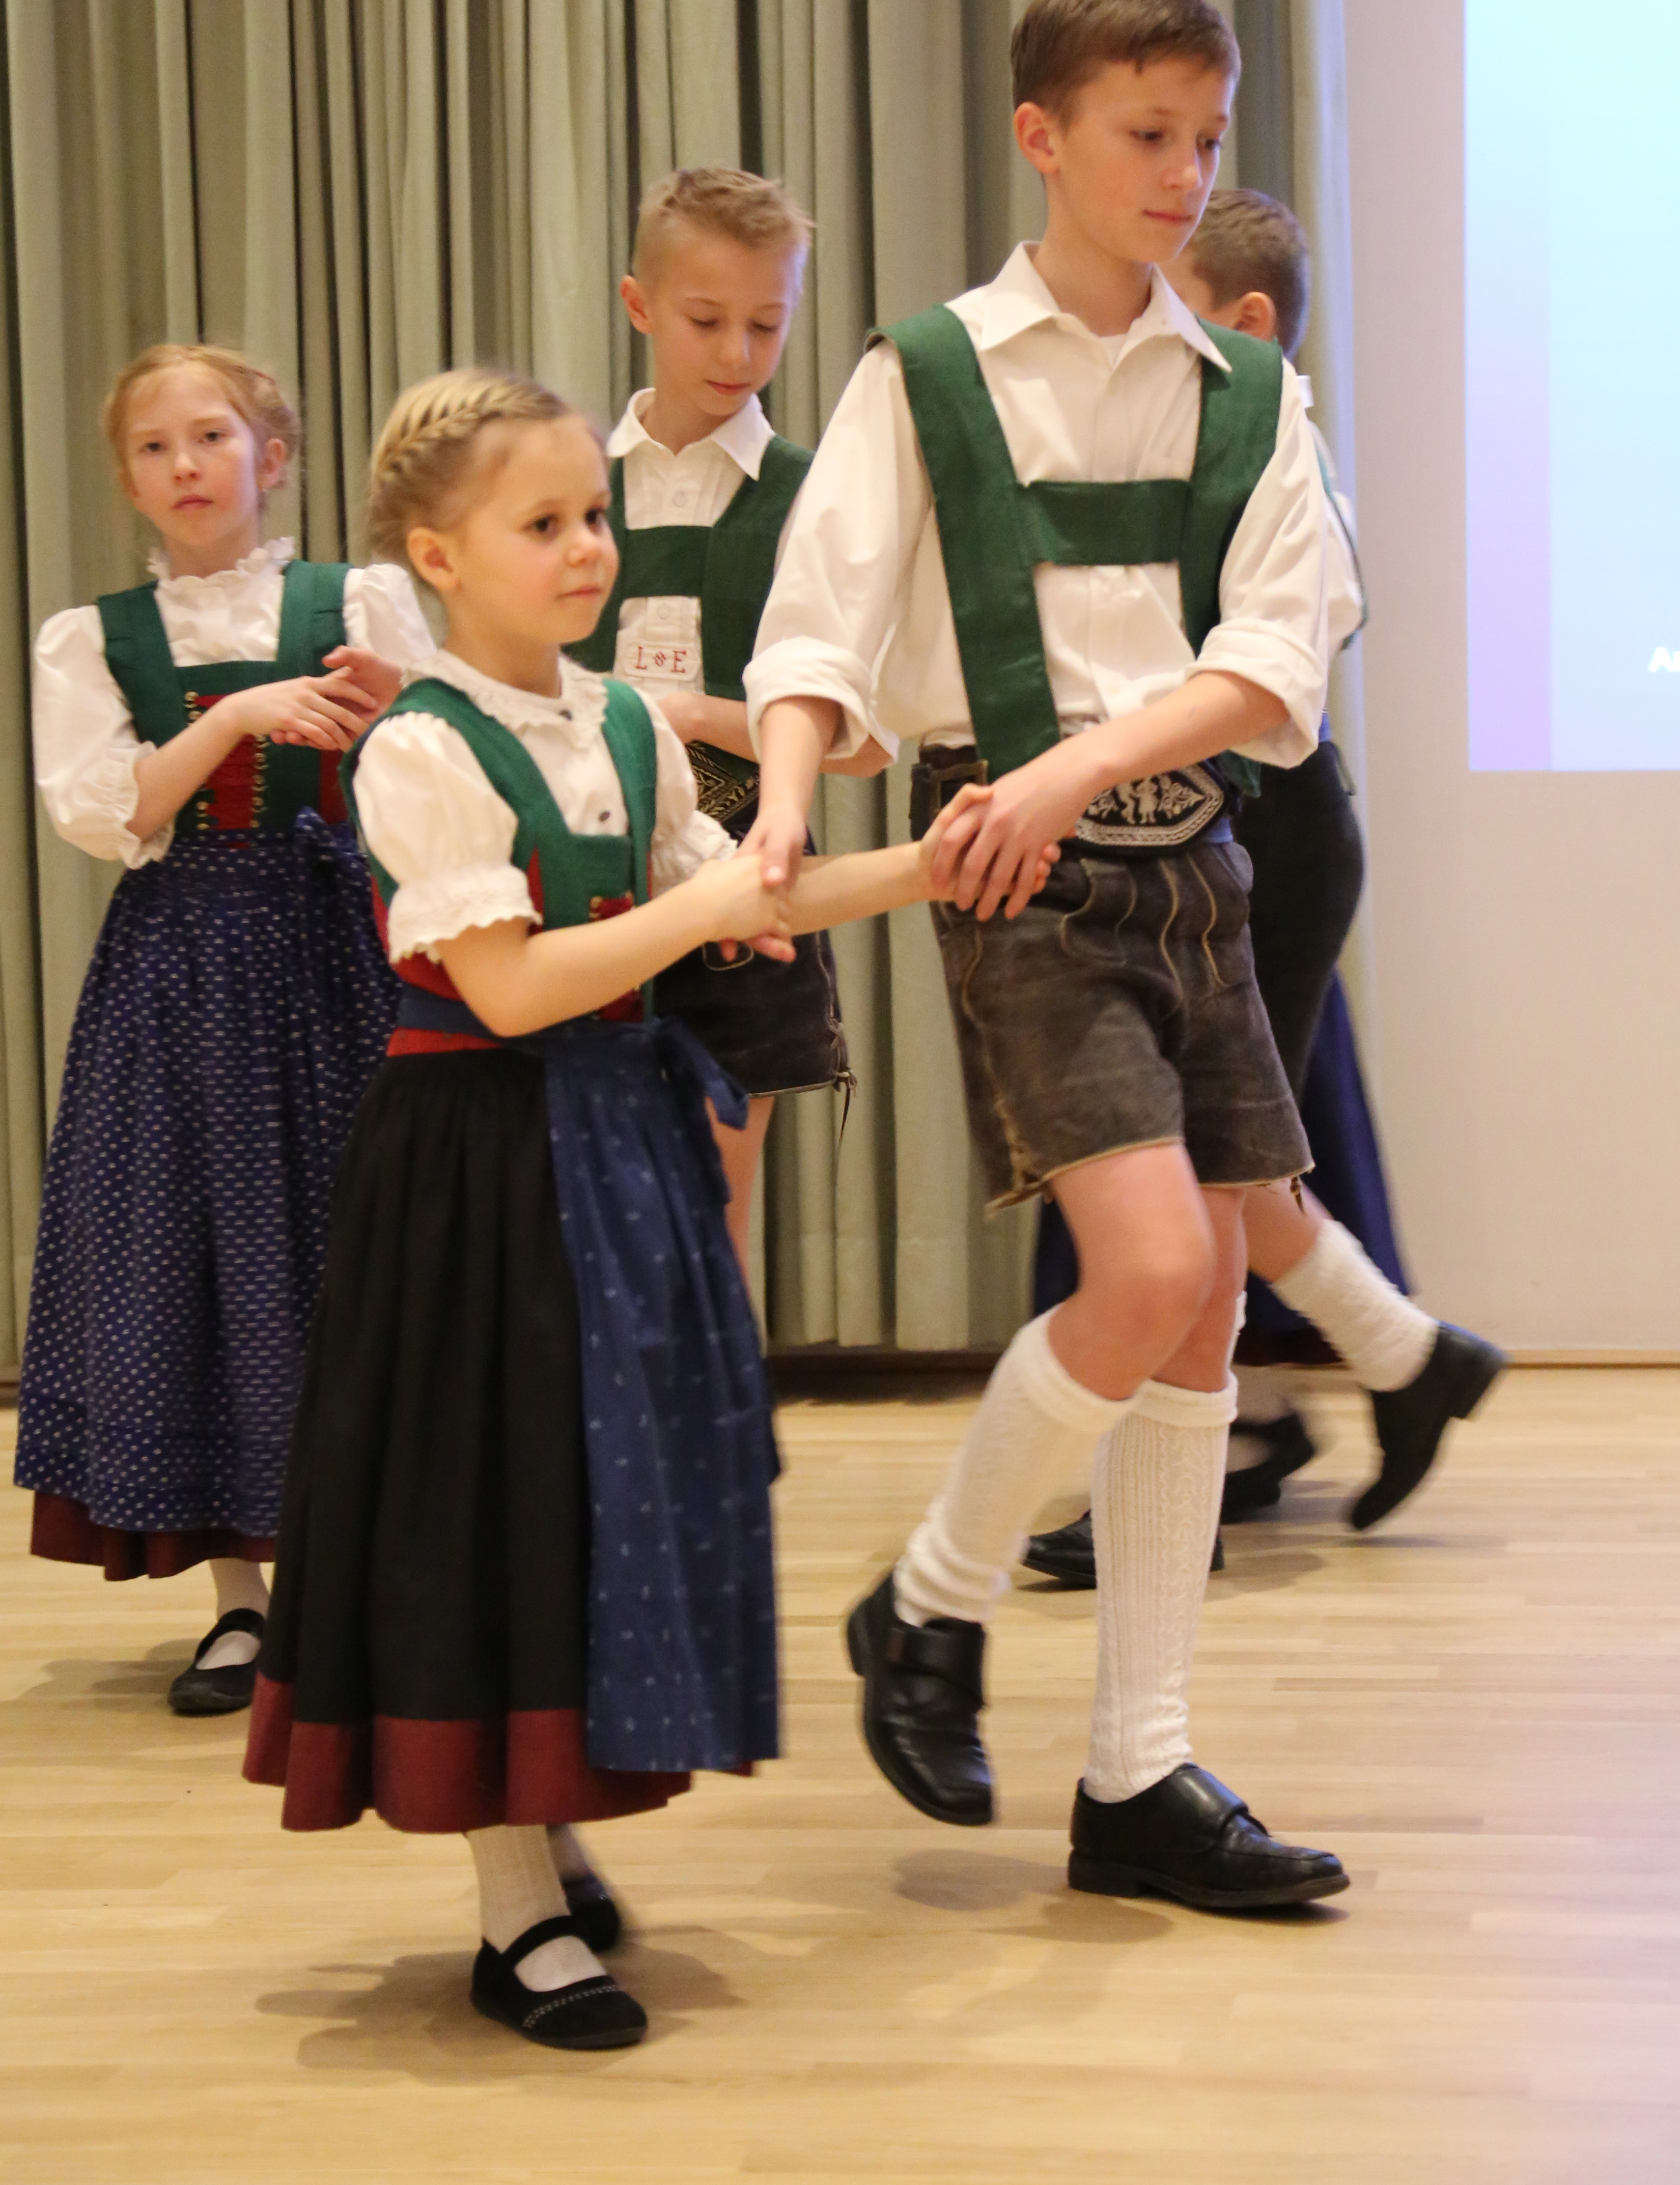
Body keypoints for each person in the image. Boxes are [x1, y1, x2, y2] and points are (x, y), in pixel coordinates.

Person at [244, 368, 1018, 2053]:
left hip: (615, 1147)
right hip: (475, 1166)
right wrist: (708, 914)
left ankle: (548, 1832)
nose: (586, 546)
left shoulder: (620, 726)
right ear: (437, 558)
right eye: (543, 524)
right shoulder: (418, 752)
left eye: (590, 515)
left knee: (600, 1497)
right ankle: (513, 1910)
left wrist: (920, 865)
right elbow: (513, 990)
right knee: (495, 1504)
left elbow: (745, 894)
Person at [745, 0, 1369, 1909]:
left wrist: (1084, 763)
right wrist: (776, 791)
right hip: (1015, 882)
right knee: (1153, 1254)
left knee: (1194, 1305)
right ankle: (924, 1601)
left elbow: (1277, 655)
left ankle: (1136, 1769)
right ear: (1041, 138)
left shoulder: (1247, 392)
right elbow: (819, 622)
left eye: (1204, 136)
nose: (1183, 173)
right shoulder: (921, 372)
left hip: (1193, 866)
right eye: (1142, 135)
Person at [1024, 191, 1507, 1584]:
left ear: (1238, 326)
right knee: (1210, 1159)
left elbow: (1270, 664)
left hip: (1267, 836)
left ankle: (1205, 1451)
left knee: (1200, 1168)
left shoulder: (1276, 451)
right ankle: (1390, 1364)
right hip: (1202, 836)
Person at [16, 343, 428, 1716]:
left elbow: (446, 751)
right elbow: (109, 811)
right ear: (127, 474)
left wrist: (393, 721)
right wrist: (241, 711)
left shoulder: (356, 598)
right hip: (181, 967)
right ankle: (239, 1601)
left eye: (212, 436)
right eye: (154, 446)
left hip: (338, 953)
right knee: (203, 1260)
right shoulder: (93, 639)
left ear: (273, 452)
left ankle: (365, 1572)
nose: (186, 466)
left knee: (353, 1249)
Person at [569, 168, 883, 1274]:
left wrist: (695, 712)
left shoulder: (816, 492)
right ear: (638, 304)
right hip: (583, 878)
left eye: (768, 324)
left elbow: (870, 735)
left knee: (713, 1179)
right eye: (707, 321)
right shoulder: (571, 484)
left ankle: (708, 1430)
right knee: (583, 1179)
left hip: (746, 861)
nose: (738, 354)